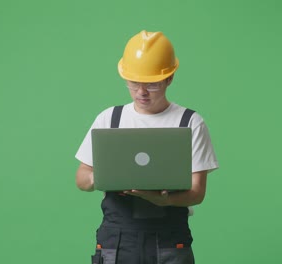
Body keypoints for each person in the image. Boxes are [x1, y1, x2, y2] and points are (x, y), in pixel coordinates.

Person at [75, 30, 219, 264]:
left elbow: (197, 192)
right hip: (117, 240)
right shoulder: (110, 119)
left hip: (170, 241)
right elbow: (81, 178)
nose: (141, 92)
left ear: (169, 78)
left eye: (151, 84)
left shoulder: (190, 122)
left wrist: (165, 200)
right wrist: (103, 177)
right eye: (134, 82)